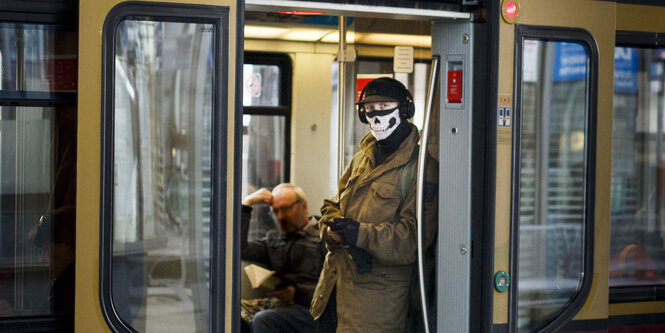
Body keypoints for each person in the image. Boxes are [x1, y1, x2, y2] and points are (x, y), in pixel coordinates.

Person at [311, 77, 420, 332]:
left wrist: (360, 234)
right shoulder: (363, 157)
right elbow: (332, 204)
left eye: (384, 106)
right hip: (332, 291)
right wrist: (330, 228)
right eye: (370, 109)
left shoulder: (420, 167)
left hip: (375, 307)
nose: (376, 115)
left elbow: (411, 240)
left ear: (405, 110)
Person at [240, 183, 325, 333]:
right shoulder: (274, 239)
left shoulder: (324, 238)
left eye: (286, 209)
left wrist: (296, 293)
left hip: (314, 311)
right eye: (275, 211)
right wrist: (247, 204)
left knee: (263, 319)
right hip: (283, 306)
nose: (280, 217)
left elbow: (335, 289)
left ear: (303, 206)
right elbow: (240, 249)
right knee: (232, 311)